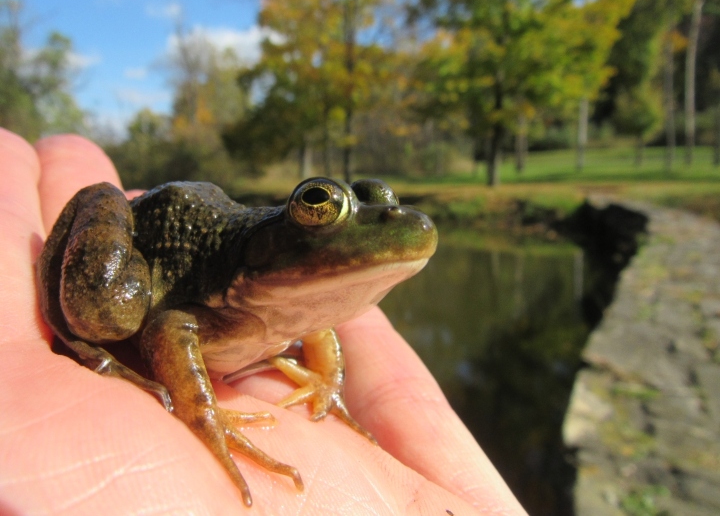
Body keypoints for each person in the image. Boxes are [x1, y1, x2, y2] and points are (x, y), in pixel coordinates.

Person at [0, 128, 527, 514]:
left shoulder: (297, 301)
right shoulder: (229, 294)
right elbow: (170, 327)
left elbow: (318, 322)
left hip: (213, 218)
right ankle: (72, 334)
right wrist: (202, 415)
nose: (387, 218)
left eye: (377, 201)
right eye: (321, 207)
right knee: (106, 311)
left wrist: (326, 380)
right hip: (159, 236)